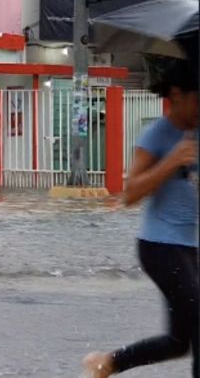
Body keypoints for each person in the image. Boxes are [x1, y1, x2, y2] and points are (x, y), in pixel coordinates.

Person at [83, 60, 199, 378]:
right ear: (177, 95)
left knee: (179, 342)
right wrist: (171, 161)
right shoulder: (157, 135)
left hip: (190, 247)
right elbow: (130, 193)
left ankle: (108, 363)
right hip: (159, 246)